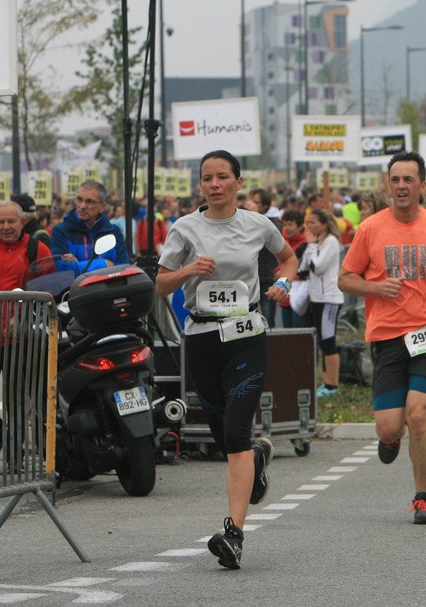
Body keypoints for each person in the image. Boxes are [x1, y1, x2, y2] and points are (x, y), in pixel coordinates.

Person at [156, 150, 297, 570]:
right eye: (207, 178)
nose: (214, 184)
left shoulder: (258, 224)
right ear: (200, 184)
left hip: (245, 335)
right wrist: (188, 271)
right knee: (224, 438)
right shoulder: (184, 228)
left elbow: (289, 259)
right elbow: (160, 284)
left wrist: (284, 283)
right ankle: (257, 457)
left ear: (238, 181)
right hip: (201, 339)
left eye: (222, 176)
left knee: (235, 432)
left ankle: (234, 534)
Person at [339, 151, 426, 525]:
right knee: (389, 425)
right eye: (395, 179)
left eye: (408, 179)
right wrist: (376, 287)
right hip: (387, 336)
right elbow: (345, 278)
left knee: (418, 413)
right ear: (387, 184)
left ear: (422, 186)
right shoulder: (370, 229)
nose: (401, 186)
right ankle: (391, 437)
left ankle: (422, 498)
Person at [0, 200, 54, 470]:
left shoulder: (37, 249)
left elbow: (47, 291)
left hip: (21, 339)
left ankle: (14, 457)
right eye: (1, 221)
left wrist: (22, 316)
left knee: (16, 400)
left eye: (11, 221)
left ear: (22, 222)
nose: (6, 226)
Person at [303, 208, 345, 398]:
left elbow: (318, 267)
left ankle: (332, 384)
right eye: (308, 222)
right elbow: (305, 267)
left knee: (328, 340)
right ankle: (327, 381)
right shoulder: (318, 242)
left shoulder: (331, 242)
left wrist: (311, 246)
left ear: (324, 224)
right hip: (317, 298)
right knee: (321, 340)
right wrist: (311, 246)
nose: (309, 226)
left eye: (313, 222)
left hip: (330, 298)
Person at [50, 181, 129, 273]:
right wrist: (104, 264)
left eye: (89, 201)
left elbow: (123, 269)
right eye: (79, 199)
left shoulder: (114, 232)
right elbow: (62, 271)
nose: (82, 206)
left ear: (102, 207)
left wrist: (77, 265)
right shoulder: (60, 231)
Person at [248, 188, 283, 328]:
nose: (250, 205)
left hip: (266, 278)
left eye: (255, 202)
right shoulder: (244, 221)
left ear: (264, 206)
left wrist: (255, 216)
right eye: (250, 201)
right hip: (247, 279)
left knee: (268, 318)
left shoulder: (274, 223)